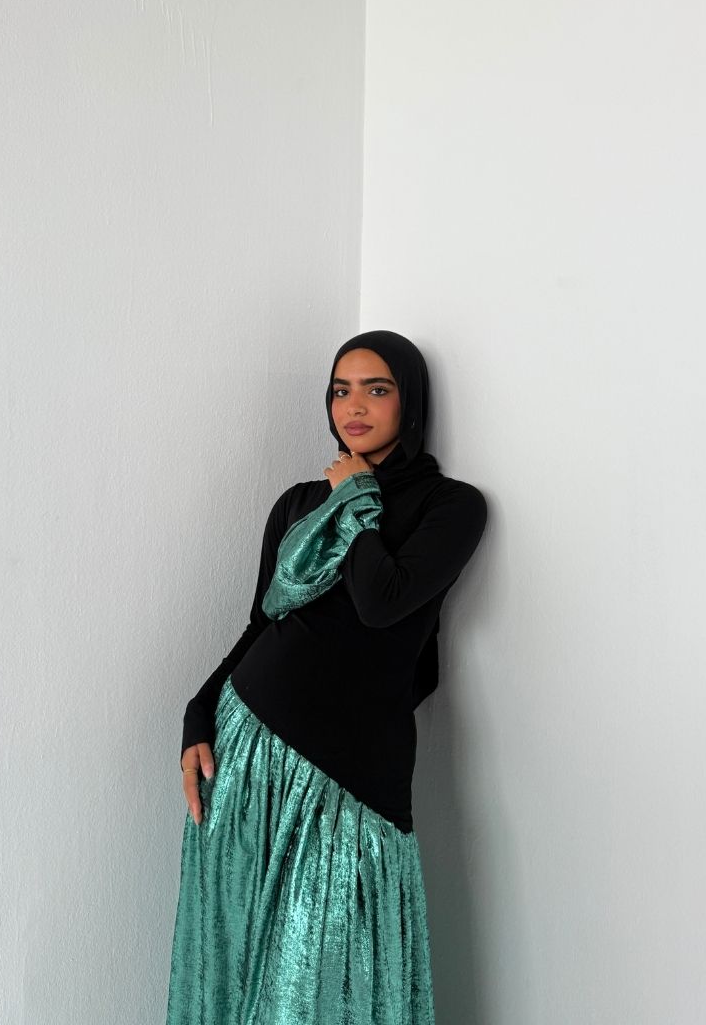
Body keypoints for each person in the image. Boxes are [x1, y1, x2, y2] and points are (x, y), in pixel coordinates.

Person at [165, 330, 488, 1024]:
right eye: (341, 391)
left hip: (350, 775)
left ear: (411, 402)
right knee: (234, 966)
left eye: (377, 389)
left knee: (324, 989)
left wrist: (355, 497)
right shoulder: (297, 503)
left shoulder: (451, 507)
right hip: (246, 758)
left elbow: (382, 603)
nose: (355, 407)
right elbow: (260, 626)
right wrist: (196, 714)